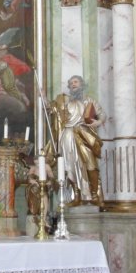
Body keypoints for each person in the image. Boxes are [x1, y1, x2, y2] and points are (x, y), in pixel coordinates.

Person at [50, 75, 105, 207]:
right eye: (71, 83)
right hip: (68, 136)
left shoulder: (89, 101)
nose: (73, 84)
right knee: (71, 167)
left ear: (82, 85)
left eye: (76, 82)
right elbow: (54, 110)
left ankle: (94, 195)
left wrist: (98, 122)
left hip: (84, 135)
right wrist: (46, 101)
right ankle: (77, 196)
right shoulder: (66, 102)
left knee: (91, 165)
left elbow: (101, 114)